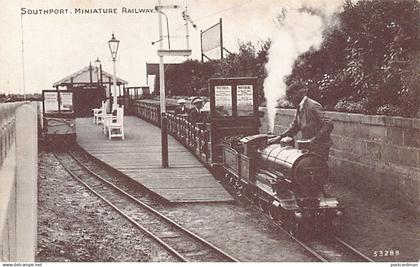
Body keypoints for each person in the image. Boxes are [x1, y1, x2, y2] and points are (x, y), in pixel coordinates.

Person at [269, 88, 333, 161]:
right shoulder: (300, 106)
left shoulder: (313, 105)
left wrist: (314, 139)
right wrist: (280, 137)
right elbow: (294, 127)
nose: (290, 100)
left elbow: (328, 124)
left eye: (291, 96)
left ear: (297, 94)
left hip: (320, 145)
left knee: (317, 167)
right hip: (308, 144)